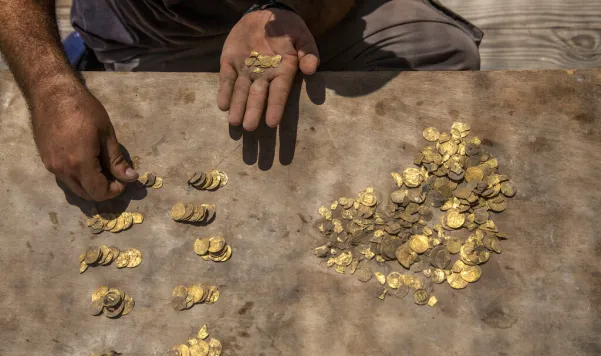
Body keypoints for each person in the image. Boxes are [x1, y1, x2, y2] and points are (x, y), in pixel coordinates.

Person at [0, 0, 482, 202]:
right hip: (159, 34)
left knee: (439, 51)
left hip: (297, 10)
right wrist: (51, 88)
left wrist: (292, 10)